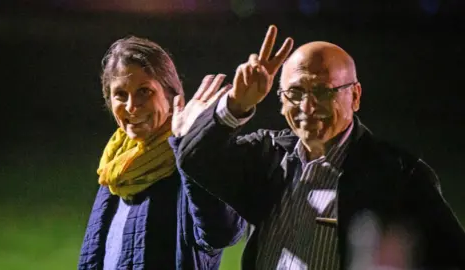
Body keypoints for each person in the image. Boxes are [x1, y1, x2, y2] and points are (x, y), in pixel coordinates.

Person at [170, 25, 465, 269]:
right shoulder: (269, 154)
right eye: (295, 93)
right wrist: (235, 106)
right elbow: (196, 159)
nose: (307, 107)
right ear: (281, 99)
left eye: (323, 91)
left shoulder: (400, 175)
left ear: (355, 96)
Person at [78, 36, 246, 270]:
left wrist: (191, 148)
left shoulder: (192, 158)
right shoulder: (116, 166)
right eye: (120, 94)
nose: (131, 106)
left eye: (144, 92)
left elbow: (223, 234)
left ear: (170, 95)